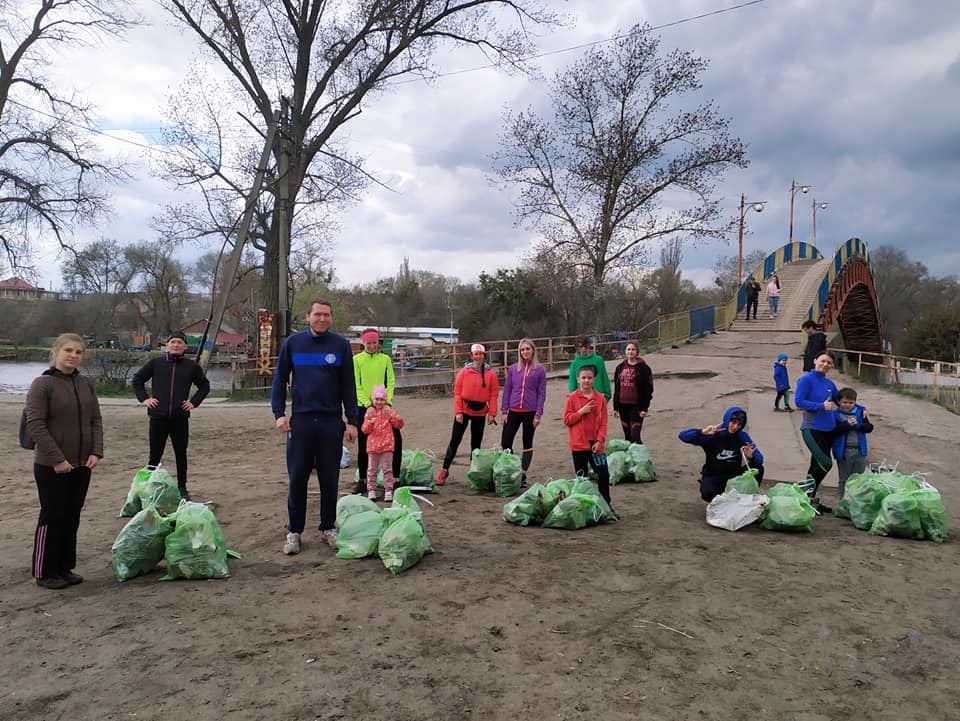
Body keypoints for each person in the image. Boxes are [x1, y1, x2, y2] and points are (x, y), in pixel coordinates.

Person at [271, 300, 358, 555]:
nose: (322, 319)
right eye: (317, 314)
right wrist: (279, 413)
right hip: (302, 422)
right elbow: (279, 380)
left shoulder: (340, 345)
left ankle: (328, 528)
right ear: (308, 316)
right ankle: (294, 532)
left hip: (331, 422)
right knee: (297, 478)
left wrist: (352, 421)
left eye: (326, 315)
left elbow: (348, 386)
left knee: (329, 478)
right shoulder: (293, 344)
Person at [24, 334, 103, 589]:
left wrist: (96, 451)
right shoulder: (42, 384)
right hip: (51, 465)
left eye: (78, 352)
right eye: (68, 350)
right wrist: (58, 459)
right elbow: (35, 425)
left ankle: (64, 567)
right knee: (52, 515)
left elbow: (95, 420)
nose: (73, 355)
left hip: (82, 463)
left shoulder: (85, 384)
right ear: (56, 351)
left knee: (72, 515)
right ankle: (45, 571)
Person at [131, 330, 211, 501]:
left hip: (180, 418)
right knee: (154, 454)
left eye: (179, 342)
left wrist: (193, 402)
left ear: (185, 346)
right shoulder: (156, 363)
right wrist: (145, 398)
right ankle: (149, 487)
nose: (176, 345)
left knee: (180, 453)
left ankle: (182, 487)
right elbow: (137, 379)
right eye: (172, 342)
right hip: (158, 417)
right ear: (167, 345)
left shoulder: (191, 367)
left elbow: (204, 386)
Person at [437, 343, 499, 485]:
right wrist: (458, 411)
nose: (478, 357)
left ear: (484, 355)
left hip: (480, 412)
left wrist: (492, 414)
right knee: (455, 441)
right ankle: (444, 470)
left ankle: (474, 473)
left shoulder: (491, 375)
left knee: (476, 445)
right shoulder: (464, 372)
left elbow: (493, 395)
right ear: (471, 356)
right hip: (464, 410)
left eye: (480, 354)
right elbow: (457, 393)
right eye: (475, 354)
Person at [678, 406, 764, 503]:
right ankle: (723, 499)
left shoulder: (742, 437)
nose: (735, 427)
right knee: (708, 493)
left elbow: (760, 459)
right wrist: (701, 432)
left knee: (758, 467)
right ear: (727, 420)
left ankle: (748, 499)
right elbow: (682, 436)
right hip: (713, 475)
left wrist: (751, 457)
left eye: (739, 424)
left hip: (733, 476)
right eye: (733, 422)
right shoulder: (713, 434)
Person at [352, 328, 401, 494]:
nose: (372, 346)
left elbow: (391, 381)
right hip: (365, 407)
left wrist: (388, 402)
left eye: (374, 343)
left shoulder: (385, 359)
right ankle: (363, 480)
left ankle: (394, 478)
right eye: (369, 343)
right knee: (364, 441)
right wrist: (368, 405)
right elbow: (356, 384)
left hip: (384, 405)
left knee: (396, 439)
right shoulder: (357, 360)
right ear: (363, 343)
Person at [563, 365, 616, 514]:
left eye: (589, 378)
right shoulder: (572, 398)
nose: (586, 380)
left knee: (604, 475)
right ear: (578, 379)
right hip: (579, 445)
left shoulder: (600, 398)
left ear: (594, 379)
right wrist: (581, 412)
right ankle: (584, 509)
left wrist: (600, 440)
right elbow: (567, 420)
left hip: (596, 445)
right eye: (583, 378)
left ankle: (606, 506)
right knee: (582, 479)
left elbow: (604, 422)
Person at [794, 351, 839, 514]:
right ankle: (804, 493)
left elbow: (842, 402)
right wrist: (820, 406)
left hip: (829, 430)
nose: (825, 364)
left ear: (832, 366)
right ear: (815, 360)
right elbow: (798, 401)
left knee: (815, 465)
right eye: (823, 361)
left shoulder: (830, 384)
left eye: (829, 363)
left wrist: (861, 411)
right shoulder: (806, 379)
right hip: (811, 429)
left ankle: (808, 499)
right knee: (825, 463)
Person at [500, 338, 547, 487]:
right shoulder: (513, 369)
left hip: (530, 412)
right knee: (506, 441)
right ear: (519, 352)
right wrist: (503, 411)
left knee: (527, 442)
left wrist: (538, 414)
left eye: (527, 349)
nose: (525, 351)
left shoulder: (540, 369)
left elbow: (542, 393)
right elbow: (507, 390)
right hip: (513, 410)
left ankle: (523, 473)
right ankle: (513, 469)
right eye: (522, 349)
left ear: (533, 350)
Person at [360, 384, 405, 502]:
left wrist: (399, 419)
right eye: (377, 399)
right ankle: (371, 490)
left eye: (382, 399)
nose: (379, 402)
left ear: (385, 400)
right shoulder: (369, 413)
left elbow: (398, 425)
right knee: (372, 470)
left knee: (387, 469)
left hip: (387, 446)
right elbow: (364, 429)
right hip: (373, 447)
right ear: (373, 400)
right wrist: (370, 422)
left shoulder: (389, 412)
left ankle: (388, 490)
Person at [832, 387, 874, 499]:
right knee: (844, 478)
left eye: (851, 402)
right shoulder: (835, 414)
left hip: (860, 450)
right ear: (839, 402)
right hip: (844, 451)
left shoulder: (861, 413)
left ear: (855, 402)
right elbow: (834, 431)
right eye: (845, 402)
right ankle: (842, 501)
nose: (848, 405)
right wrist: (847, 425)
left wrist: (858, 425)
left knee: (858, 479)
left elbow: (869, 428)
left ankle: (854, 501)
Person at [612, 340, 654, 443]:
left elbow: (648, 390)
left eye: (633, 349)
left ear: (637, 352)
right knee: (628, 436)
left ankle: (641, 456)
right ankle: (631, 458)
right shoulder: (620, 367)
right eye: (628, 349)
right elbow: (617, 388)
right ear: (625, 351)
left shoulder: (644, 368)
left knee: (635, 435)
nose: (630, 352)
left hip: (637, 406)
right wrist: (615, 408)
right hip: (622, 405)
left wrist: (644, 408)